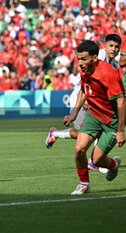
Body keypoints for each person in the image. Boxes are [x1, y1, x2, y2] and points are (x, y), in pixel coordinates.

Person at [45, 34, 122, 173]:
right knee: (79, 133)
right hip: (82, 96)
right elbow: (87, 82)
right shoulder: (97, 57)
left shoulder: (113, 64)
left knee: (93, 130)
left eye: (117, 47)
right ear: (104, 46)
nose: (114, 49)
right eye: (111, 46)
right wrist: (87, 100)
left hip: (92, 98)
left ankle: (96, 161)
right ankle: (55, 134)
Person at [64, 40, 124, 195]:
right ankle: (84, 184)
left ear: (95, 57)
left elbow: (120, 101)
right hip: (94, 116)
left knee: (96, 160)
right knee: (79, 150)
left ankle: (113, 165)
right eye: (79, 59)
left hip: (111, 120)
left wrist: (120, 131)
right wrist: (74, 113)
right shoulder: (85, 70)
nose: (81, 63)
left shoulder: (108, 74)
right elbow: (84, 90)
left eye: (84, 59)